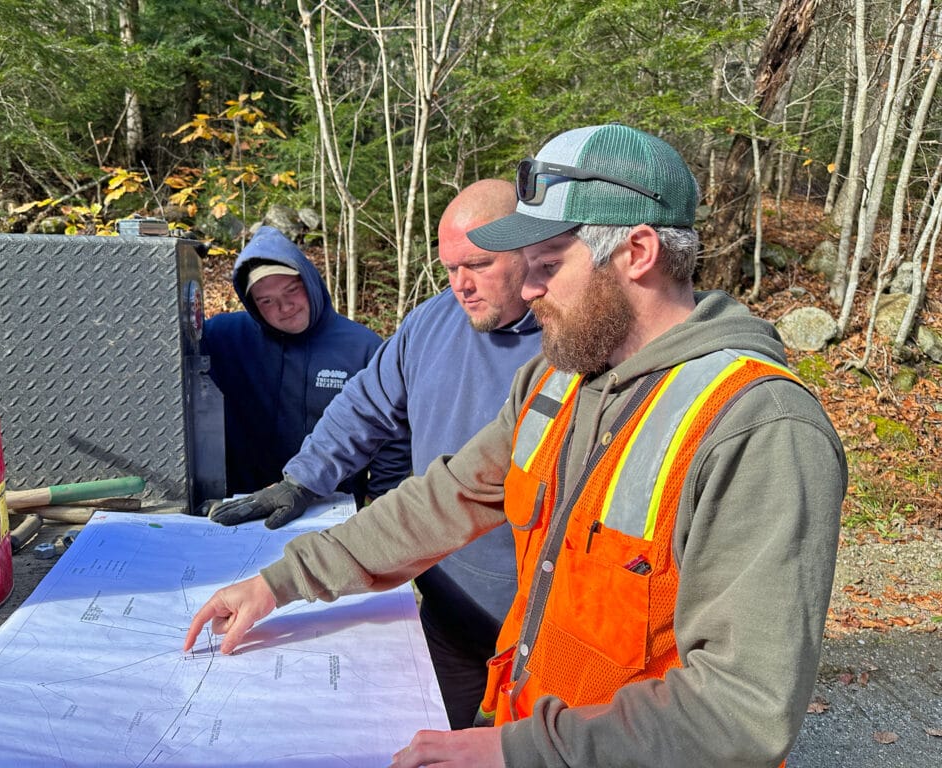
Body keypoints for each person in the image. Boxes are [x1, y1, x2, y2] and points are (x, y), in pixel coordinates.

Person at [185, 124, 846, 767]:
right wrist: (281, 581)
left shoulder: (759, 429)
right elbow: (443, 500)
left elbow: (742, 711)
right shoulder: (558, 381)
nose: (529, 291)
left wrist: (517, 750)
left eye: (549, 266)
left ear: (638, 252)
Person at [203, 179, 542, 729]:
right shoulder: (432, 323)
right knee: (433, 739)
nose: (461, 286)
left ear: (529, 247)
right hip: (446, 609)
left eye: (477, 265)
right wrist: (303, 481)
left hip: (539, 627)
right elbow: (365, 406)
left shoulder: (568, 340)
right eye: (449, 268)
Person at [200, 225, 409, 504]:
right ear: (252, 304)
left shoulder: (363, 347)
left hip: (332, 507)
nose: (285, 307)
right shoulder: (225, 337)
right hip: (243, 508)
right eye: (267, 301)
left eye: (291, 291)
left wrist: (378, 496)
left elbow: (394, 431)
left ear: (309, 282)